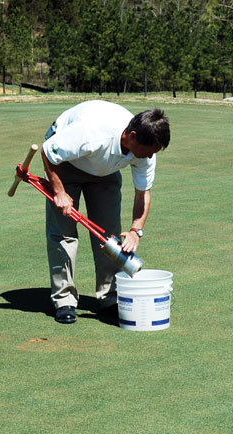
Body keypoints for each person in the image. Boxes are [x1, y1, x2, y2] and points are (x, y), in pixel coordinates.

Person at [40, 100, 170, 324]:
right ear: (131, 136)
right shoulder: (90, 133)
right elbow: (48, 151)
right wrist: (59, 192)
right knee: (64, 234)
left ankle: (109, 297)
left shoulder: (147, 148)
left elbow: (142, 193)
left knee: (109, 235)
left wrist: (135, 230)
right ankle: (64, 301)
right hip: (67, 163)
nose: (149, 158)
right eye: (147, 153)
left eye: (153, 153)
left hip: (106, 170)